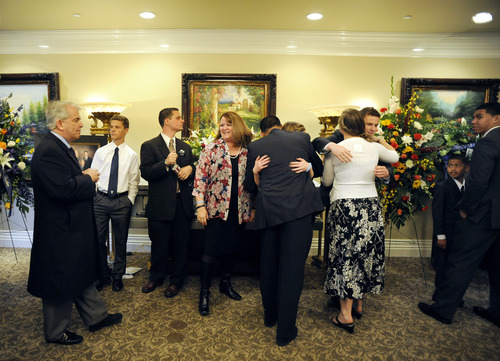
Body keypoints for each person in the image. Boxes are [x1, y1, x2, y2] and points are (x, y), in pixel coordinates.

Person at [27, 101, 122, 345]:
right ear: (60, 123)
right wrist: (87, 178)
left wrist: (80, 178)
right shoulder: (48, 150)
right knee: (60, 279)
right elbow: (62, 190)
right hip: (60, 230)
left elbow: (63, 182)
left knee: (80, 272)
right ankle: (56, 332)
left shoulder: (60, 147)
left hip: (71, 227)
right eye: (76, 120)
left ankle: (96, 317)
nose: (81, 124)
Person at [419, 102, 500, 327]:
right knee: (498, 266)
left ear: (497, 119)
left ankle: (443, 309)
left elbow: (477, 182)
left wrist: (465, 208)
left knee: (460, 262)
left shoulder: (487, 143)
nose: (474, 121)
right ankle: (497, 312)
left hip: (482, 216)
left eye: (479, 116)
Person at [245, 115, 324, 347]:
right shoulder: (301, 138)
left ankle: (270, 317)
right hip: (298, 214)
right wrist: (308, 165)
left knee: (268, 266)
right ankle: (285, 331)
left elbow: (250, 187)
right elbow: (318, 169)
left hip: (270, 214)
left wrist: (256, 172)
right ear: (281, 127)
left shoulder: (255, 146)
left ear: (263, 132)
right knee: (292, 271)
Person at [322, 109, 398, 334]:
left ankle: (345, 315)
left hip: (344, 207)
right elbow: (393, 157)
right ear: (361, 126)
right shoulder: (374, 148)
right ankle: (358, 303)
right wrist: (379, 140)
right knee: (365, 254)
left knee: (346, 256)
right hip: (370, 207)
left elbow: (326, 182)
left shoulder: (335, 151)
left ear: (342, 127)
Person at [193, 111, 255, 316]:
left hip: (239, 211)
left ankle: (225, 284)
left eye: (228, 124)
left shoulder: (248, 151)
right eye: (222, 125)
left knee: (231, 249)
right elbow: (200, 180)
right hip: (215, 210)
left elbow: (254, 182)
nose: (224, 128)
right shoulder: (211, 149)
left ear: (237, 126)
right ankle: (204, 293)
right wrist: (200, 206)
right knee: (210, 251)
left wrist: (252, 207)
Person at [140, 107, 195, 298]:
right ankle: (156, 278)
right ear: (167, 121)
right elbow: (145, 173)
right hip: (160, 205)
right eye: (178, 118)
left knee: (181, 246)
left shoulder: (185, 147)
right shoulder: (149, 146)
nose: (182, 121)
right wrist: (164, 163)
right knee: (159, 245)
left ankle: (177, 281)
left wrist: (190, 168)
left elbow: (194, 167)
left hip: (182, 205)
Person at [92, 114, 140, 292]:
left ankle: (117, 276)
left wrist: (129, 200)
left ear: (126, 130)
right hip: (101, 200)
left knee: (120, 241)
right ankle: (102, 274)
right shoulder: (101, 152)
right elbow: (94, 175)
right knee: (97, 239)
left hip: (121, 201)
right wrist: (96, 196)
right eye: (111, 126)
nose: (113, 130)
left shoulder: (131, 155)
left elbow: (134, 180)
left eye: (117, 127)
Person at [431, 154, 468, 301]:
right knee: (443, 266)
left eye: (457, 165)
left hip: (461, 235)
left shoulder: (469, 186)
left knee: (456, 267)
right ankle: (439, 295)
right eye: (450, 166)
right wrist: (441, 236)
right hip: (446, 234)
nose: (453, 169)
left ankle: (453, 296)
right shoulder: (443, 187)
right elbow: (438, 212)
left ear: (467, 167)